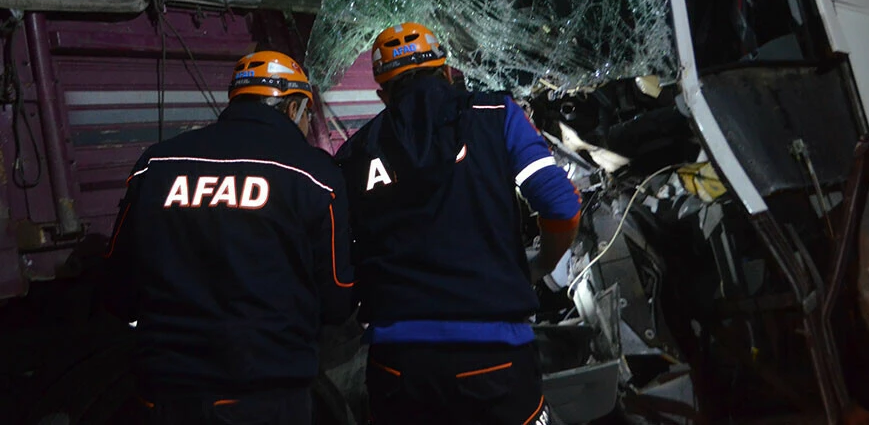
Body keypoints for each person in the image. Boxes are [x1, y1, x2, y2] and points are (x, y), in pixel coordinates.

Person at [335, 22, 581, 424]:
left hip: (397, 368)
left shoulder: (353, 154)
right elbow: (561, 205)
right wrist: (539, 268)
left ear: (383, 93)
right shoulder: (493, 114)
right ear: (447, 72)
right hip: (494, 358)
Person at [102, 51, 353, 424]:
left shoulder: (157, 164)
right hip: (263, 395)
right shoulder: (313, 174)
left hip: (164, 391)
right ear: (295, 107)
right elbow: (337, 298)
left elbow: (117, 287)